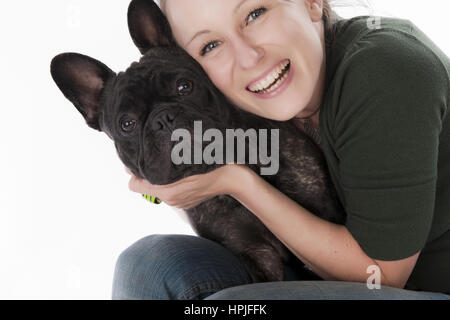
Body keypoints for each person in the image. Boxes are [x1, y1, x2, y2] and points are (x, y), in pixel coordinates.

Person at [112, 0, 450, 299]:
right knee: (147, 264)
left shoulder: (384, 72)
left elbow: (379, 277)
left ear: (311, 2)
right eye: (211, 45)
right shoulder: (242, 104)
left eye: (255, 13)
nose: (247, 57)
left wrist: (237, 182)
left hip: (410, 284)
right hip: (321, 273)